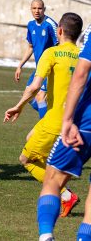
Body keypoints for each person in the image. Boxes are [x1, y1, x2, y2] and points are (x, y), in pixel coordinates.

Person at [5, 12, 83, 220]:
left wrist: (19, 105)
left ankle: (65, 195)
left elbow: (35, 86)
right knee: (31, 137)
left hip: (56, 120)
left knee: (26, 159)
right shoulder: (84, 56)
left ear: (59, 31)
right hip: (76, 122)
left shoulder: (52, 53)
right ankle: (58, 177)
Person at [37, 24, 91, 241]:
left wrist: (68, 119)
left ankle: (46, 235)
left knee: (52, 179)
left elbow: (81, 72)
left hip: (86, 120)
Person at [14, 0, 58, 119]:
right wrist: (20, 65)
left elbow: (60, 45)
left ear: (44, 9)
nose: (37, 11)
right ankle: (51, 115)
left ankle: (44, 127)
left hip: (50, 68)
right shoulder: (31, 25)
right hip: (39, 67)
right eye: (34, 8)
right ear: (31, 9)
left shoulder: (51, 25)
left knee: (40, 97)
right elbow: (31, 47)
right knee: (27, 96)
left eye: (39, 8)